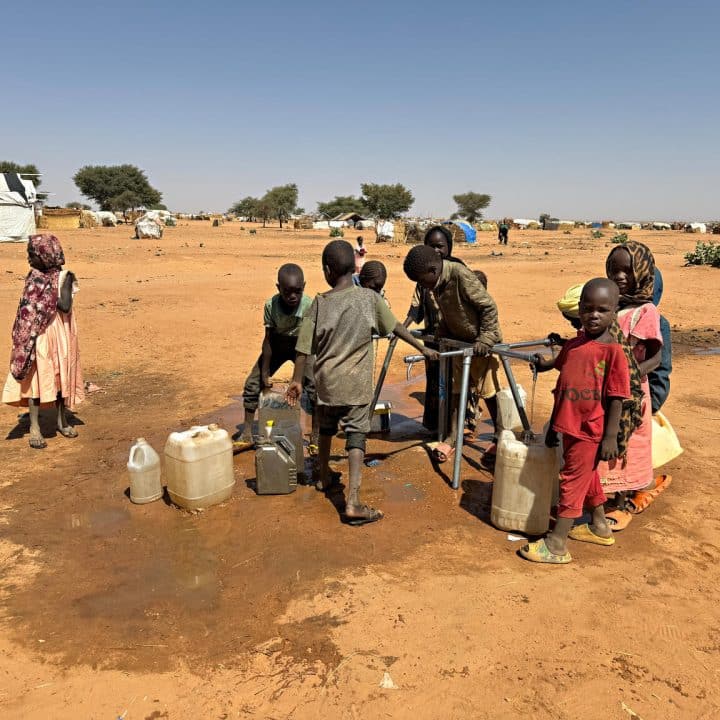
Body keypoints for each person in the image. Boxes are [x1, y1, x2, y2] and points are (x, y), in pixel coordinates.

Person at [287, 240, 437, 525]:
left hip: (326, 384)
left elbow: (303, 347)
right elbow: (396, 327)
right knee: (356, 435)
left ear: (328, 271)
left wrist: (296, 380)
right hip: (356, 385)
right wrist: (423, 349)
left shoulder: (319, 303)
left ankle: (323, 476)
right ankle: (353, 502)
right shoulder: (369, 299)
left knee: (327, 428)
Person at [519, 279, 630, 564]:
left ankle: (556, 544)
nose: (594, 315)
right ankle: (600, 526)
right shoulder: (574, 343)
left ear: (614, 311)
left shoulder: (613, 353)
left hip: (590, 430)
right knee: (587, 477)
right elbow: (559, 368)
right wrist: (541, 363)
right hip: (568, 425)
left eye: (602, 310)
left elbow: (617, 398)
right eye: (588, 309)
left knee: (571, 483)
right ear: (579, 310)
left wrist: (609, 437)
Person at [403, 244, 502, 464]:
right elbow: (448, 311)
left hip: (481, 344)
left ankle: (500, 435)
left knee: (489, 393)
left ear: (432, 270)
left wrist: (485, 339)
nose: (421, 286)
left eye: (421, 280)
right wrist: (442, 332)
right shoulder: (435, 285)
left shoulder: (459, 274)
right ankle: (452, 436)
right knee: (457, 392)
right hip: (459, 343)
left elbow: (488, 307)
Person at [600, 241, 665, 528]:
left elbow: (656, 357)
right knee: (605, 441)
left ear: (641, 270)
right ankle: (603, 495)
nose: (620, 276)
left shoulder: (645, 312)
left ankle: (622, 502)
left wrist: (630, 377)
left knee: (627, 445)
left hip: (631, 394)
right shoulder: (611, 307)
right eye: (614, 270)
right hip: (605, 388)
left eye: (627, 269)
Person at [2, 234, 84, 449]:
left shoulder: (65, 277)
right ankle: (35, 427)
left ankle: (62, 420)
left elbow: (65, 306)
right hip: (37, 335)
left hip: (58, 332)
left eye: (32, 254)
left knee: (60, 377)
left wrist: (44, 296)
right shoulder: (33, 276)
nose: (29, 259)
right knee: (36, 378)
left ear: (44, 255)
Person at [237, 263, 317, 450]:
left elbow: (304, 345)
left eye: (297, 291)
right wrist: (265, 371)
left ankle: (316, 435)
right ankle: (247, 432)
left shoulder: (308, 306)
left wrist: (297, 378)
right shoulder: (271, 306)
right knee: (252, 383)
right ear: (278, 288)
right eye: (287, 292)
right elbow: (268, 340)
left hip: (302, 347)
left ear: (303, 287)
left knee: (315, 388)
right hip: (278, 344)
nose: (292, 296)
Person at [404, 226, 466, 433]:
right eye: (431, 246)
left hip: (456, 338)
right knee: (436, 382)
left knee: (457, 383)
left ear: (449, 246)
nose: (436, 250)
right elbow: (415, 306)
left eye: (440, 246)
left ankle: (457, 428)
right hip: (434, 338)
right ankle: (435, 425)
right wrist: (402, 329)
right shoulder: (424, 273)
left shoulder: (457, 269)